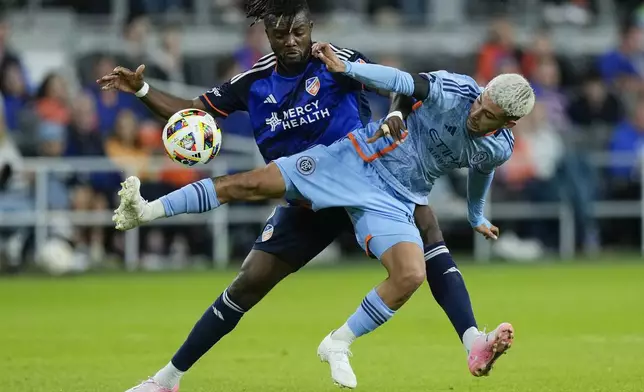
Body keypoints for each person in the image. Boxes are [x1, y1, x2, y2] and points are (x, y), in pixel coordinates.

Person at [99, 1, 508, 390]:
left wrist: (397, 112)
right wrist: (142, 90)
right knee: (248, 284)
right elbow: (192, 111)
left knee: (425, 236)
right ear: (267, 36)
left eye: (298, 31)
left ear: (310, 29)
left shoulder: (335, 59)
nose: (291, 41)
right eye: (280, 34)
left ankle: (472, 341)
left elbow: (397, 83)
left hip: (368, 175)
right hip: (308, 193)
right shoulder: (253, 82)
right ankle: (167, 379)